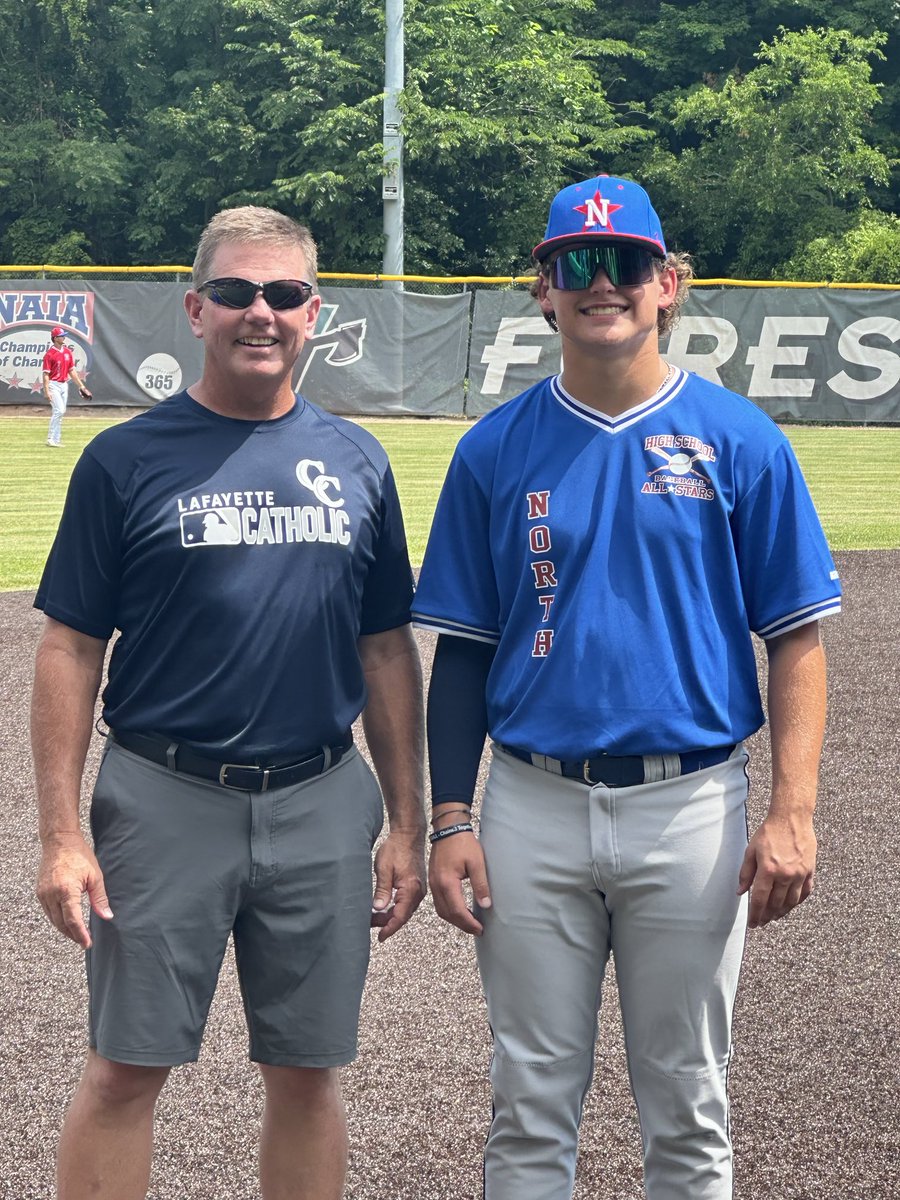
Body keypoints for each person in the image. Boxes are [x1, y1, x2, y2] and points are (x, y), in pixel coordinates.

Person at [412, 174, 841, 1199]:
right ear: (545, 290)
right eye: (575, 264)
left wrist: (793, 811)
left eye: (625, 263)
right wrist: (449, 816)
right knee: (529, 1102)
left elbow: (796, 638)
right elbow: (464, 650)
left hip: (689, 802)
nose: (601, 282)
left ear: (668, 284)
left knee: (689, 1104)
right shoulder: (494, 449)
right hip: (530, 802)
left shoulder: (741, 439)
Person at [31, 205, 426, 1200]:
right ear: (196, 308)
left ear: (313, 313)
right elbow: (73, 648)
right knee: (125, 1069)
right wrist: (60, 835)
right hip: (164, 792)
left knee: (306, 1073)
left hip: (319, 793)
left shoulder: (358, 462)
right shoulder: (124, 459)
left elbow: (386, 653)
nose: (263, 312)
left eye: (285, 294)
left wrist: (407, 821)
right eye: (240, 293)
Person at [42, 326, 92, 446]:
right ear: (55, 338)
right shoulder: (49, 354)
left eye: (64, 335)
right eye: (61, 335)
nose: (64, 337)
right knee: (60, 410)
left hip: (64, 385)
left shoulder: (67, 352)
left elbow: (72, 371)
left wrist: (81, 386)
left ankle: (56, 439)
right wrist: (46, 390)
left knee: (59, 412)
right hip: (53, 385)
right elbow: (45, 374)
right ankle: (50, 438)